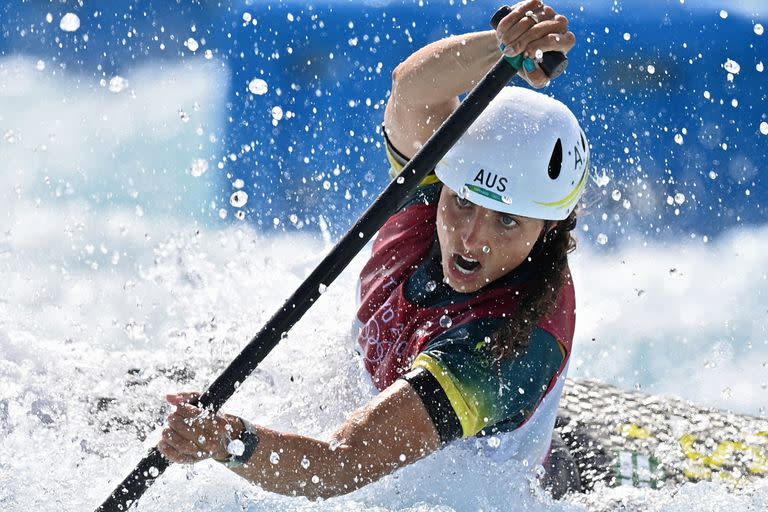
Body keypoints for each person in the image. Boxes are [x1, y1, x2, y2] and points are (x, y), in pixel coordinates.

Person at [158, 0, 586, 500]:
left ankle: (566, 457)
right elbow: (414, 89)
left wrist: (228, 441)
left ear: (549, 231)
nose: (471, 237)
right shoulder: (431, 191)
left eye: (507, 220)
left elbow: (338, 465)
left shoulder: (510, 346)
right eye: (463, 203)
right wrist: (501, 48)